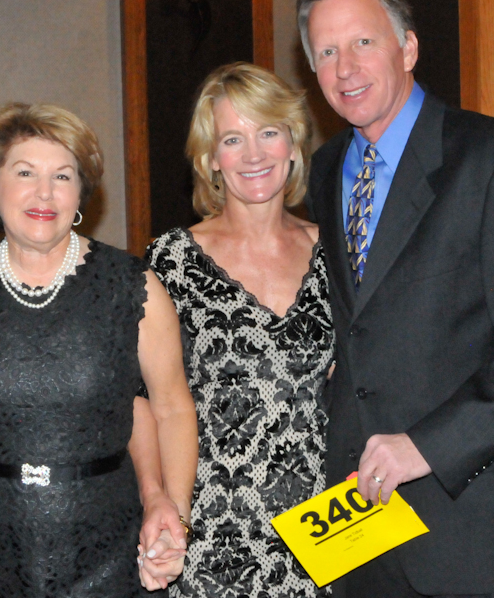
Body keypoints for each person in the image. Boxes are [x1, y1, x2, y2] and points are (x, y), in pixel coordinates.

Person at [297, 0, 494, 598]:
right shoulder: (326, 173)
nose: (345, 67)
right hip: (366, 532)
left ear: (407, 47)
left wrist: (424, 446)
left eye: (363, 42)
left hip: (482, 528)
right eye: (326, 51)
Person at [0, 102, 198, 598]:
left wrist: (172, 517)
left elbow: (172, 407)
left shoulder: (135, 288)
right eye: (25, 173)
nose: (44, 192)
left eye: (62, 176)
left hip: (111, 550)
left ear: (80, 193)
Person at [146, 62, 334, 598]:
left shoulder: (338, 254)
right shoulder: (171, 262)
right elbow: (141, 401)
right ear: (210, 160)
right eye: (233, 138)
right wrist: (164, 506)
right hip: (209, 539)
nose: (254, 154)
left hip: (324, 534)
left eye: (268, 132)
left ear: (294, 145)